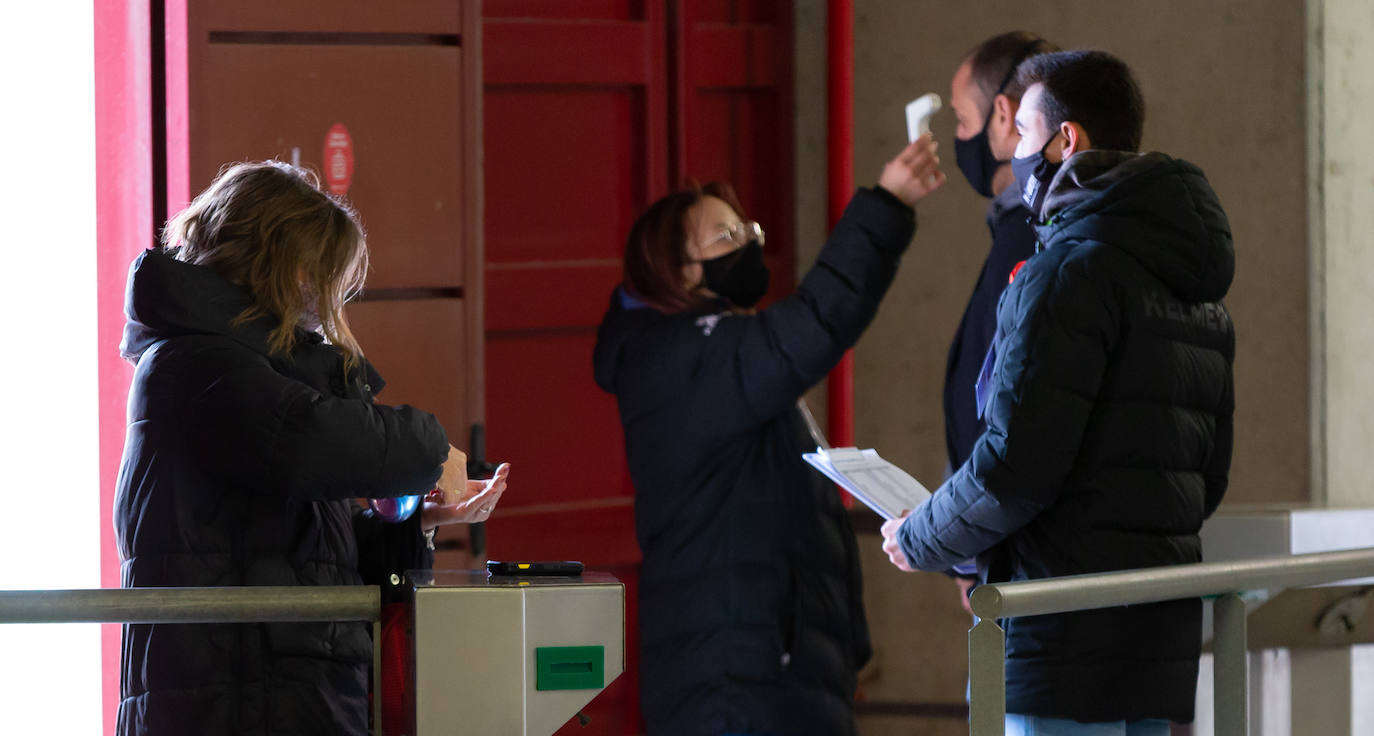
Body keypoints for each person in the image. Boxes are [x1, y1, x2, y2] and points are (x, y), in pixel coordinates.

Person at [881, 50, 1235, 735]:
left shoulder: (1066, 273)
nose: (1012, 153)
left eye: (1022, 135)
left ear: (1065, 139)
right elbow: (1204, 480)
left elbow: (1013, 468)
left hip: (1059, 641)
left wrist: (921, 536)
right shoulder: (1195, 286)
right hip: (1153, 643)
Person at [114, 161, 509, 736]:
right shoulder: (194, 365)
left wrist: (416, 522)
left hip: (270, 694)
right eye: (319, 276)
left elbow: (311, 556)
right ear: (279, 266)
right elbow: (307, 441)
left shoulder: (249, 371)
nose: (324, 303)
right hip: (233, 701)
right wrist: (431, 451)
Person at [593, 138, 946, 735]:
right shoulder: (684, 358)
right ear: (680, 271)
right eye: (725, 238)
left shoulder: (711, 350)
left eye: (746, 229)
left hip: (773, 668)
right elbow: (812, 326)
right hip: (736, 678)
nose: (750, 244)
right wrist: (885, 204)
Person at [942, 30, 1059, 610]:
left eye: (962, 120)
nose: (957, 140)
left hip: (1019, 569)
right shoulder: (1047, 231)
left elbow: (999, 409)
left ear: (1004, 115)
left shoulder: (1025, 238)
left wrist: (966, 546)